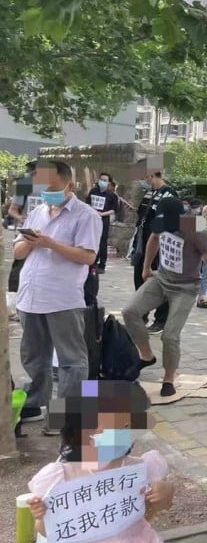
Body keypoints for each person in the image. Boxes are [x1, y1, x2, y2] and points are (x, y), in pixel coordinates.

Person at [26, 380, 180, 543]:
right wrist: (42, 516)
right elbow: (46, 531)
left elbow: (147, 515)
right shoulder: (61, 476)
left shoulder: (140, 469)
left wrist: (165, 492)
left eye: (124, 428)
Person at [14, 160, 102, 430]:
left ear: (69, 186)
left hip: (62, 298)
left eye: (52, 187)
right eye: (42, 188)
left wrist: (48, 243)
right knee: (34, 356)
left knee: (71, 360)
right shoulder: (38, 212)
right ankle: (35, 403)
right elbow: (17, 252)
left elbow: (88, 256)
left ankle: (67, 415)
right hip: (30, 296)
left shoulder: (86, 216)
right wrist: (28, 244)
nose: (46, 193)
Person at [123, 197, 207, 397]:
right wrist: (146, 268)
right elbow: (153, 239)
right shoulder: (161, 220)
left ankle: (169, 378)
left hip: (185, 288)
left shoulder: (198, 229)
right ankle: (147, 355)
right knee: (130, 312)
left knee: (169, 335)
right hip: (160, 279)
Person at [132, 167, 176, 335]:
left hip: (161, 245)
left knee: (160, 282)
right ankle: (141, 314)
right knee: (139, 278)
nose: (145, 181)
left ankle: (161, 319)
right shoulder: (149, 193)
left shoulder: (169, 194)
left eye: (146, 177)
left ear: (152, 175)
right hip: (143, 243)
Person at [7, 160, 37, 293]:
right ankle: (14, 295)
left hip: (45, 233)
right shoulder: (25, 185)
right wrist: (21, 218)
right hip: (25, 232)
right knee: (20, 265)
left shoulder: (52, 187)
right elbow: (12, 210)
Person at [88, 173, 119, 273]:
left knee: (102, 242)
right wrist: (93, 211)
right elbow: (88, 203)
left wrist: (102, 214)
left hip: (103, 220)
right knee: (92, 240)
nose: (102, 182)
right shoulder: (93, 191)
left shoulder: (112, 195)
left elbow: (114, 210)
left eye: (105, 180)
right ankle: (92, 262)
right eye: (101, 179)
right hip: (93, 219)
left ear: (109, 182)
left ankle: (102, 264)